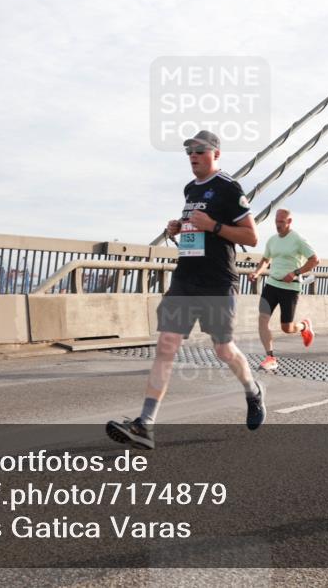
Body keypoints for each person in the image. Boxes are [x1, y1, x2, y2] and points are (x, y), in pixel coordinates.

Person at [106, 130, 263, 450]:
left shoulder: (229, 188)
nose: (193, 155)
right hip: (185, 279)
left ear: (216, 154)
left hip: (217, 282)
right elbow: (196, 226)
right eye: (189, 151)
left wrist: (214, 227)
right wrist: (178, 228)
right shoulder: (190, 188)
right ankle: (145, 424)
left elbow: (251, 237)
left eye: (200, 150)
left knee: (223, 349)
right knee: (166, 346)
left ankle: (252, 390)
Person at [248, 208, 319, 371]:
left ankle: (304, 326)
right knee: (262, 319)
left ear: (289, 222)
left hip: (290, 288)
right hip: (271, 285)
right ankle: (270, 357)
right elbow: (266, 259)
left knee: (287, 328)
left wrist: (296, 272)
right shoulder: (272, 240)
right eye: (276, 222)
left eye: (281, 222)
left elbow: (315, 260)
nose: (278, 225)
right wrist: (257, 272)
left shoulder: (298, 240)